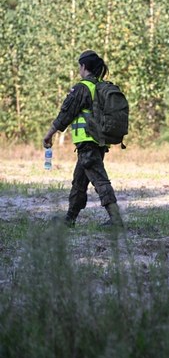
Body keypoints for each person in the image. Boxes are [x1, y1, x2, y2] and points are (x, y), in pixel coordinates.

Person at [42, 50, 124, 229]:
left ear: (84, 66)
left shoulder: (83, 88)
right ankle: (69, 219)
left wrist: (49, 134)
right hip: (98, 142)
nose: (79, 69)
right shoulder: (100, 86)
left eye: (79, 66)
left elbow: (65, 114)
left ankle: (116, 219)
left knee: (99, 179)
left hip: (88, 142)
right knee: (79, 181)